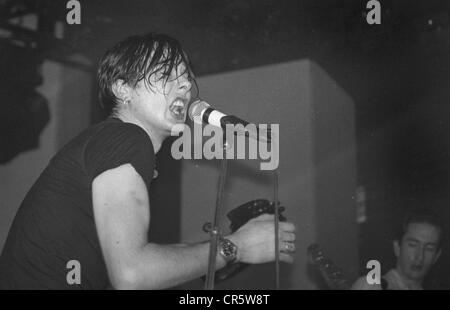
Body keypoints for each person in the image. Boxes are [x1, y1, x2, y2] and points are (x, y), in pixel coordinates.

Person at [0, 33, 296, 289]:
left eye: (185, 77)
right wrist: (238, 247)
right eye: (166, 74)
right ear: (122, 89)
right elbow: (132, 274)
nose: (184, 87)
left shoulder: (111, 144)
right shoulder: (127, 138)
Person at [351, 208, 442, 290]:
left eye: (429, 249)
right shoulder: (372, 286)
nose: (420, 256)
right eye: (412, 245)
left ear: (436, 256)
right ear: (397, 247)